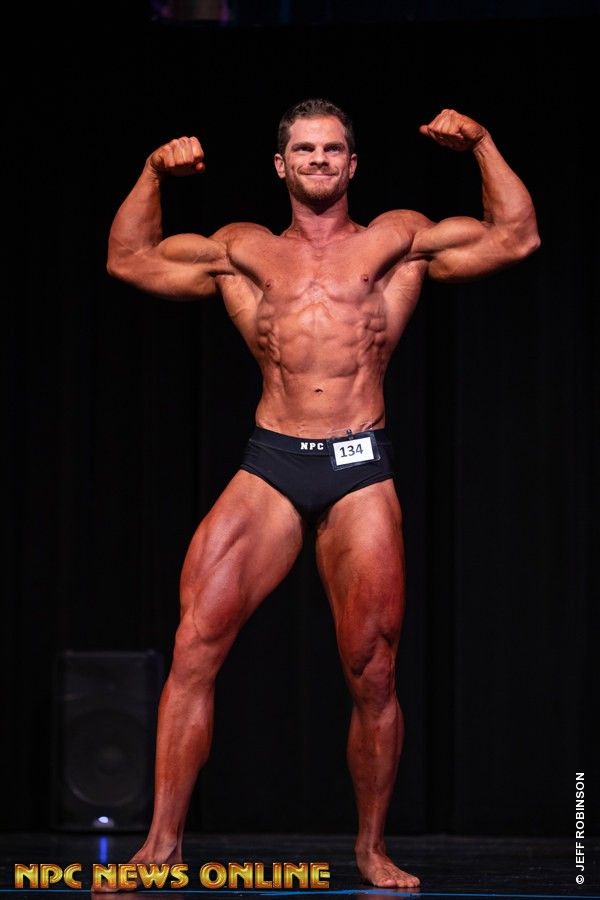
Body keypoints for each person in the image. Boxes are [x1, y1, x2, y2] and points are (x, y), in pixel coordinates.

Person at [102, 99, 540, 891]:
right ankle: (160, 849)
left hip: (358, 466)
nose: (318, 160)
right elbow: (130, 260)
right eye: (304, 149)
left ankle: (371, 848)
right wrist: (152, 172)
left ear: (352, 163)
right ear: (281, 165)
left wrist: (481, 142)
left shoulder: (395, 241)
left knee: (372, 670)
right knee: (194, 645)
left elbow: (516, 236)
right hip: (270, 462)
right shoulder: (243, 250)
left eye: (332, 149)